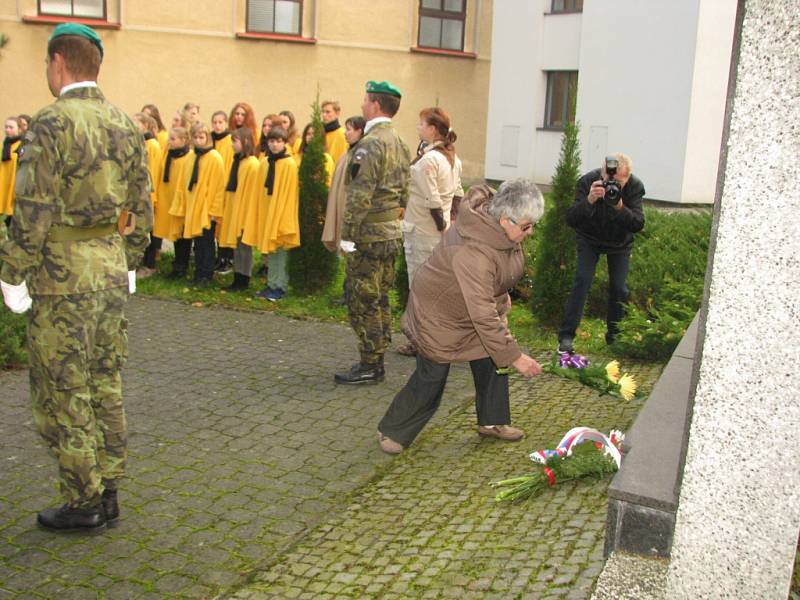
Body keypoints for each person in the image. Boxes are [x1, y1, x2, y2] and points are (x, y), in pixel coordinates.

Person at [0, 23, 152, 532]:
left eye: (47, 64)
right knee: (105, 380)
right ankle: (107, 488)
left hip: (61, 277)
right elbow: (143, 205)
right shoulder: (125, 123)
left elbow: (34, 209)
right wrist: (129, 259)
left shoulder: (49, 123)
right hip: (108, 269)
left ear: (58, 62)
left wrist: (12, 273)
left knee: (63, 390)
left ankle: (82, 500)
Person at [376, 180, 544, 454]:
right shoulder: (474, 252)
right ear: (505, 220)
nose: (530, 231)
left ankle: (492, 422)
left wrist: (502, 297)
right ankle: (393, 429)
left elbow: (493, 280)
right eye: (526, 226)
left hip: (473, 306)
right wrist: (516, 357)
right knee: (433, 374)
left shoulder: (501, 230)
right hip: (440, 313)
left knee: (492, 359)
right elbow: (483, 313)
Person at [334, 80, 410, 385]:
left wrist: (347, 236)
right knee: (379, 296)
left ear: (376, 105)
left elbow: (359, 196)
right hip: (391, 231)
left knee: (362, 299)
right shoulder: (400, 142)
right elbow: (406, 190)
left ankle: (370, 363)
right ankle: (377, 356)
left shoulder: (370, 143)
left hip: (368, 234)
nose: (362, 105)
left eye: (366, 100)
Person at [557, 153, 645, 353]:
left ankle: (614, 336)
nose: (612, 185)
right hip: (590, 239)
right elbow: (571, 219)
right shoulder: (588, 181)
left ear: (627, 177)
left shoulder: (635, 187)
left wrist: (620, 207)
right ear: (602, 172)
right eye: (608, 179)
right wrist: (589, 200)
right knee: (582, 281)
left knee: (619, 288)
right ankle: (566, 336)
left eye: (619, 182)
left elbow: (638, 224)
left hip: (620, 243)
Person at [397, 107, 464, 356]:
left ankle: (423, 342)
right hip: (440, 231)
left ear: (433, 129)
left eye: (421, 123)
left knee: (421, 287)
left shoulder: (429, 160)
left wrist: (442, 227)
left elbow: (432, 200)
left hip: (425, 232)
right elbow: (458, 195)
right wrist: (451, 225)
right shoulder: (452, 158)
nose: (418, 127)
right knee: (438, 286)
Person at [171, 121, 224, 286]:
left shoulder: (214, 158)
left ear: (207, 137)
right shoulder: (191, 157)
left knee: (206, 243)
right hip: (193, 206)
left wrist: (214, 210)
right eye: (196, 137)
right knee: (197, 243)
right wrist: (182, 204)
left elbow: (218, 187)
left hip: (206, 209)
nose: (199, 140)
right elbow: (183, 182)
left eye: (202, 137)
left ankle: (206, 274)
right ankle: (198, 272)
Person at [251, 126, 300, 302]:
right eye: (271, 141)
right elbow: (260, 190)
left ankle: (281, 286)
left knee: (281, 251)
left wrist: (281, 215)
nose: (274, 145)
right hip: (267, 211)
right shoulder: (265, 162)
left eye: (278, 141)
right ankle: (271, 284)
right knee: (271, 251)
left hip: (281, 213)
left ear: (285, 143)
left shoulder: (289, 164)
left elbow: (289, 193)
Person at [218, 127, 261, 291]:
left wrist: (245, 216)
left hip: (245, 212)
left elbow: (250, 194)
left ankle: (244, 279)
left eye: (235, 142)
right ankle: (237, 277)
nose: (232, 145)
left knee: (244, 247)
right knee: (237, 247)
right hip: (236, 209)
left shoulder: (252, 165)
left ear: (246, 142)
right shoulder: (238, 162)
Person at [150, 126, 192, 275]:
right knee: (173, 232)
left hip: (182, 200)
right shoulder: (168, 153)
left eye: (173, 139)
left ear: (183, 140)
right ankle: (176, 264)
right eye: (169, 138)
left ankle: (182, 265)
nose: (169, 142)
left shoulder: (188, 157)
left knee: (182, 234)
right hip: (168, 197)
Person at [322, 116, 366, 254]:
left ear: (360, 131)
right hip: (340, 208)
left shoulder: (361, 157)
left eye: (349, 129)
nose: (345, 133)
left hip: (350, 213)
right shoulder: (345, 155)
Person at [131, 112, 162, 278]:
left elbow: (154, 171)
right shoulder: (140, 143)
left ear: (146, 125)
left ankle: (149, 264)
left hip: (148, 193)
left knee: (149, 228)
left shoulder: (153, 145)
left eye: (136, 123)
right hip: (139, 193)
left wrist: (152, 195)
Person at [210, 110, 235, 274]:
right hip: (212, 188)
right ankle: (218, 257)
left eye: (221, 122)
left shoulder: (229, 141)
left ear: (226, 123)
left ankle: (227, 258)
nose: (218, 126)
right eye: (215, 122)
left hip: (225, 188)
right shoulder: (211, 139)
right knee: (215, 226)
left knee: (225, 225)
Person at [1, 116, 22, 220]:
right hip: (3, 184)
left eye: (11, 127)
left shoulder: (22, 145)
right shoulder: (6, 145)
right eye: (6, 127)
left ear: (19, 129)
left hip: (14, 186)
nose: (7, 130)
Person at [321, 100, 348, 164]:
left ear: (337, 113)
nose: (324, 115)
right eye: (323, 112)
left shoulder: (343, 134)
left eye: (328, 112)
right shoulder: (320, 133)